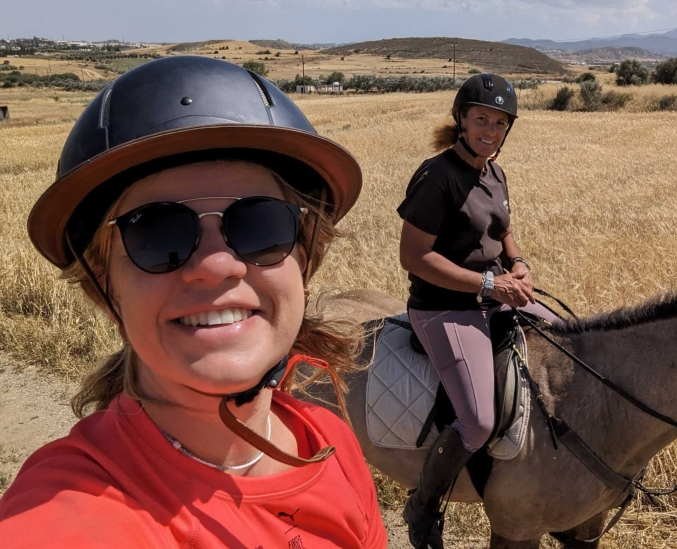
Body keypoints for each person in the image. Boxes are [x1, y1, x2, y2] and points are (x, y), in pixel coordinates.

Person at [0, 56, 386, 549]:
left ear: (305, 260)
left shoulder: (327, 442)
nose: (217, 266)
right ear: (104, 285)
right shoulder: (69, 511)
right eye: (157, 233)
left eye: (261, 226)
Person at [397, 73, 559, 549]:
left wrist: (520, 265)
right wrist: (490, 283)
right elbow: (414, 256)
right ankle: (423, 507)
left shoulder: (494, 172)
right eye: (481, 119)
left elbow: (503, 231)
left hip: (494, 299)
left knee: (571, 342)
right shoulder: (437, 175)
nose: (491, 130)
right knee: (478, 422)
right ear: (461, 120)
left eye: (500, 123)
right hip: (443, 308)